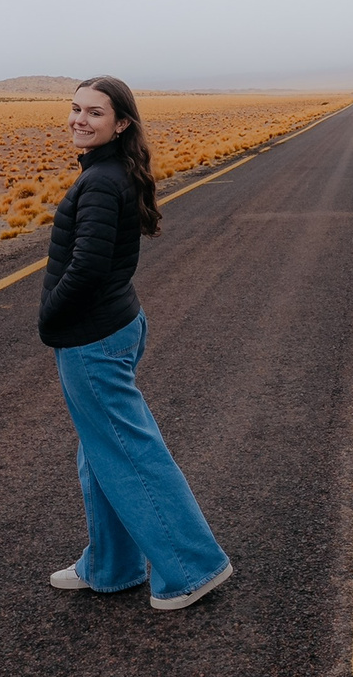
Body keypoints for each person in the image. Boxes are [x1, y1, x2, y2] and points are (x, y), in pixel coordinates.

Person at [40, 76, 233, 612]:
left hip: (93, 338)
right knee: (100, 452)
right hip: (110, 327)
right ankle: (111, 566)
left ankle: (194, 567)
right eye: (75, 109)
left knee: (128, 450)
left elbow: (87, 269)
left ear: (120, 122)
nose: (80, 119)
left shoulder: (101, 182)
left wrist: (48, 317)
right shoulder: (109, 171)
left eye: (95, 113)